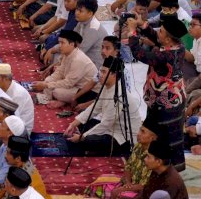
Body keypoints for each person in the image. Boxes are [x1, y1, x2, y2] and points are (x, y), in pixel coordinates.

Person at [127, 15, 188, 171]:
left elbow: (140, 54)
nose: (157, 32)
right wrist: (144, 25)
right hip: (168, 98)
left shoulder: (166, 55)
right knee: (165, 134)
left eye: (160, 31)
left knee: (164, 136)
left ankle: (166, 169)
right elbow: (157, 38)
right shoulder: (178, 46)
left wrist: (133, 32)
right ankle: (157, 164)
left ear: (168, 39)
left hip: (166, 102)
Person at [63, 57, 142, 156]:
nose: (100, 75)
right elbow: (95, 108)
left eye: (104, 72)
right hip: (109, 128)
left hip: (121, 137)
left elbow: (106, 123)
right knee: (82, 122)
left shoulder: (119, 94)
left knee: (86, 141)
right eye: (100, 71)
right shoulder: (107, 87)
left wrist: (82, 137)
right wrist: (74, 123)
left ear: (114, 75)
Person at [31, 30, 98, 109]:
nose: (59, 46)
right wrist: (45, 83)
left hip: (83, 91)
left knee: (57, 92)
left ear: (72, 44)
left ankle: (61, 100)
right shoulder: (66, 54)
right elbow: (59, 73)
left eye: (62, 43)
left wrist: (45, 85)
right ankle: (51, 98)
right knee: (48, 79)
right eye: (59, 42)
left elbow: (68, 83)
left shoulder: (78, 59)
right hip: (73, 85)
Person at [108, 117, 160, 198]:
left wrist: (125, 189)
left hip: (143, 191)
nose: (138, 134)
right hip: (130, 184)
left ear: (152, 138)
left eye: (143, 132)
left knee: (117, 194)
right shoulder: (138, 146)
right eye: (140, 130)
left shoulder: (154, 157)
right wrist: (127, 183)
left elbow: (145, 185)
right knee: (101, 184)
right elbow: (128, 166)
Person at [0, 63, 35, 135]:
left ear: (5, 79)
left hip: (17, 131)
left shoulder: (18, 95)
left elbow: (13, 122)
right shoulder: (1, 88)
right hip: (4, 122)